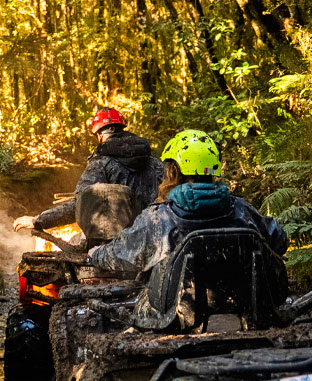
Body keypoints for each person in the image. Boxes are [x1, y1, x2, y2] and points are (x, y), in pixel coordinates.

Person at [89, 129, 288, 326]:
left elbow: (121, 255)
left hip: (177, 317)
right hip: (245, 307)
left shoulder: (159, 218)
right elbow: (279, 240)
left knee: (141, 299)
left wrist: (95, 254)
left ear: (172, 170)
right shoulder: (242, 210)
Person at [12, 107, 162, 245]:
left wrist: (38, 221)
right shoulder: (155, 163)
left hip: (120, 248)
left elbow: (78, 206)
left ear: (99, 135)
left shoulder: (101, 163)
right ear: (122, 129)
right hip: (158, 240)